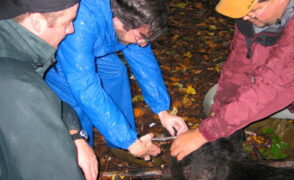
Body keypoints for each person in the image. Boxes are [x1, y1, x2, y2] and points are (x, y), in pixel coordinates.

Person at [0, 0, 121, 180]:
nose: (72, 29)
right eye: (67, 22)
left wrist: (75, 133)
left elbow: (47, 101)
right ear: (37, 21)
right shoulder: (16, 86)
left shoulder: (13, 57)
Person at [45, 0, 188, 161]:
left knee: (116, 73)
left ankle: (122, 142)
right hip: (65, 57)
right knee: (76, 105)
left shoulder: (134, 13)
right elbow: (84, 86)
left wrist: (163, 112)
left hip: (98, 42)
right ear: (118, 21)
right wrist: (130, 143)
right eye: (140, 37)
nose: (143, 44)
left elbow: (143, 60)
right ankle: (81, 158)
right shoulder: (80, 22)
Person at [171, 0, 294, 160]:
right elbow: (238, 66)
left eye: (253, 10)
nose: (246, 17)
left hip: (283, 87)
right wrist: (218, 112)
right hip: (280, 87)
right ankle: (278, 128)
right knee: (216, 102)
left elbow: (271, 87)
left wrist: (204, 133)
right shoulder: (250, 20)